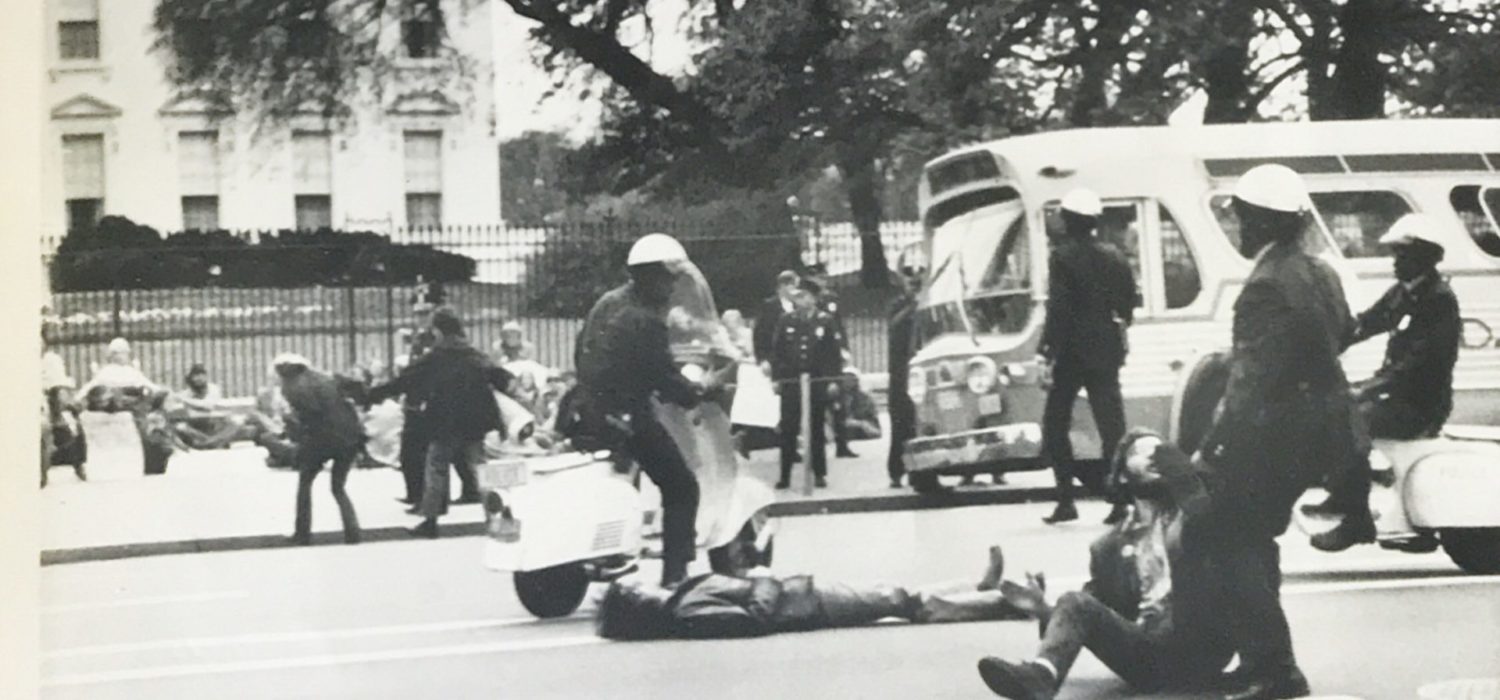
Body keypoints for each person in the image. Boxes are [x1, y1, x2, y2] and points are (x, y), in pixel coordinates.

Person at [1196, 164, 1361, 700]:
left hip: (1274, 434)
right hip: (1323, 429)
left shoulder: (1264, 287)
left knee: (1229, 535)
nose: (1239, 229)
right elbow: (1344, 331)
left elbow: (1250, 385)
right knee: (1253, 536)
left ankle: (1275, 668)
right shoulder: (1320, 272)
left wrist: (1212, 446)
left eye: (1243, 219)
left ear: (1264, 222)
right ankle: (1261, 660)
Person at [976, 431, 1234, 699]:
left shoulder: (1192, 514)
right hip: (1150, 655)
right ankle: (1041, 677)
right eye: (1141, 453)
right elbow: (1087, 614)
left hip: (1204, 647)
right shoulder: (1107, 548)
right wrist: (1042, 610)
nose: (1154, 458)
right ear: (1122, 474)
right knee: (1074, 600)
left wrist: (1185, 474)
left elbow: (1212, 518)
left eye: (1160, 451)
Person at [1302, 213, 1462, 552]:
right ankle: (1345, 495)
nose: (1396, 261)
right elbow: (1366, 324)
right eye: (1395, 253)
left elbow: (1418, 366)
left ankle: (1355, 517)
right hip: (1396, 395)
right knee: (1332, 408)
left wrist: (1366, 388)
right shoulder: (1403, 293)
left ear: (1426, 256)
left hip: (1420, 404)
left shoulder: (1438, 300)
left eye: (1403, 254)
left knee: (1349, 417)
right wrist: (1327, 343)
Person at [574, 233, 708, 587]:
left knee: (620, 481)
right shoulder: (645, 318)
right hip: (627, 415)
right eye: (668, 278)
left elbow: (582, 351)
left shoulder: (607, 303)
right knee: (681, 486)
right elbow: (662, 375)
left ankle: (616, 550)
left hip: (587, 408)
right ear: (651, 275)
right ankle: (676, 576)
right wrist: (695, 392)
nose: (672, 286)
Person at [597, 544, 1038, 641]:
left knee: (897, 593)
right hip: (804, 604)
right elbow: (754, 620)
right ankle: (1002, 603)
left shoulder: (683, 597)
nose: (638, 578)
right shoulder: (687, 613)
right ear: (636, 603)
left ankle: (978, 588)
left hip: (803, 592)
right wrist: (763, 578)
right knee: (903, 603)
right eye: (630, 586)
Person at [369, 307, 513, 538]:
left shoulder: (435, 357)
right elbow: (501, 377)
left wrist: (372, 394)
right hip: (474, 422)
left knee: (436, 469)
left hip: (444, 422)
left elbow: (404, 381)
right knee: (482, 471)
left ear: (437, 331)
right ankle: (497, 521)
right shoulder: (473, 354)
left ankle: (431, 521)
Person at [1037, 188, 1136, 526]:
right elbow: (1127, 303)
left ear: (1068, 221)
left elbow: (1058, 308)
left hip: (1071, 352)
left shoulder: (1061, 257)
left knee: (1054, 424)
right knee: (1112, 426)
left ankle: (1066, 499)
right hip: (1107, 349)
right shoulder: (1115, 255)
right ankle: (1120, 500)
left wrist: (1047, 349)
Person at [274, 354, 364, 546]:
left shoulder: (291, 387)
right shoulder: (328, 377)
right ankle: (352, 531)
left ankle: (302, 533)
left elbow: (309, 416)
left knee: (305, 482)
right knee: (338, 487)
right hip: (349, 436)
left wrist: (292, 425)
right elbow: (358, 387)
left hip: (321, 438)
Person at [770, 285, 843, 490]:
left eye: (804, 296)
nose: (800, 300)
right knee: (788, 428)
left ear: (813, 298)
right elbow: (778, 351)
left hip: (816, 380)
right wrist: (777, 378)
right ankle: (785, 474)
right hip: (792, 381)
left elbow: (832, 354)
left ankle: (819, 473)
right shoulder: (787, 320)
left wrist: (832, 380)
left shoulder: (825, 321)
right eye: (798, 296)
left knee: (816, 427)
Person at [802, 263, 858, 459]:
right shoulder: (807, 302)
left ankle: (842, 444)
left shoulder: (831, 300)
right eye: (819, 277)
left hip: (833, 354)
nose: (823, 281)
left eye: (824, 277)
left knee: (838, 403)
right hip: (817, 359)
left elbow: (838, 327)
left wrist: (844, 348)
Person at [887, 256, 924, 489]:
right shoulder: (897, 306)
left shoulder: (929, 304)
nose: (913, 284)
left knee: (918, 425)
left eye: (917, 280)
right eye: (909, 280)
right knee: (900, 424)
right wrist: (913, 305)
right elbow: (894, 326)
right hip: (901, 374)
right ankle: (896, 471)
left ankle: (918, 472)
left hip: (920, 372)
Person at [168, 363, 250, 450]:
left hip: (215, 424)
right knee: (180, 427)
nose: (199, 378)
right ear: (190, 378)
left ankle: (209, 443)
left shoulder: (213, 389)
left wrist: (184, 399)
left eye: (202, 375)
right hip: (197, 426)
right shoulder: (187, 393)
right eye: (195, 376)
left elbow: (208, 406)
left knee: (237, 423)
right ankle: (213, 442)